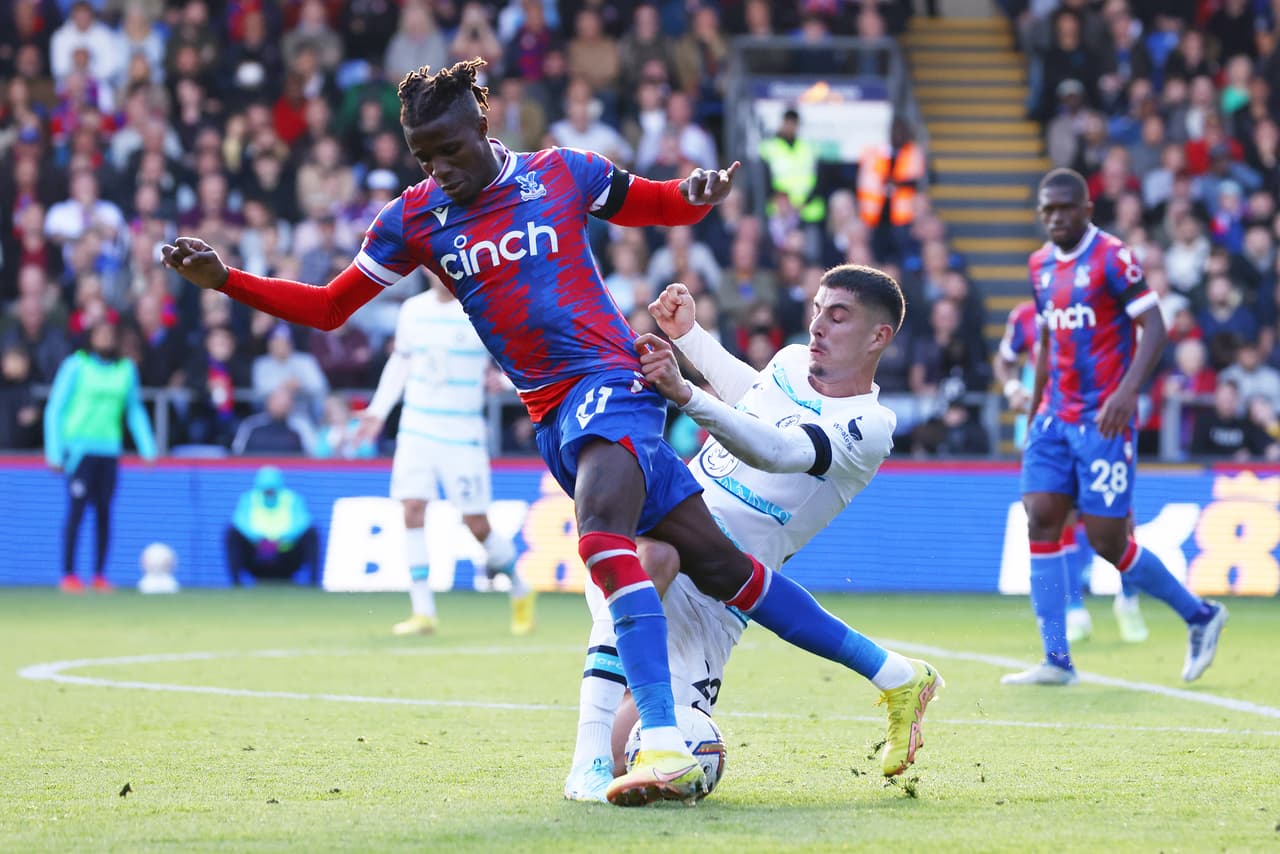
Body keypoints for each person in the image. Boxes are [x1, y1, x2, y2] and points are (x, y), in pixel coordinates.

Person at [161, 58, 934, 808]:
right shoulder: (415, 217)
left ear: (484, 125)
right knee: (722, 566)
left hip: (612, 386)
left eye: (452, 151)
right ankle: (895, 674)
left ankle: (657, 737)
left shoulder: (561, 172)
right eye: (425, 157)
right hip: (551, 415)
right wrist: (227, 280)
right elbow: (329, 306)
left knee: (604, 539)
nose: (442, 170)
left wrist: (694, 196)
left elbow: (657, 203)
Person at [564, 270, 943, 802]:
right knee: (651, 555)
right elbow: (754, 399)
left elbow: (778, 451)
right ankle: (587, 765)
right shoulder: (789, 362)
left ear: (878, 337)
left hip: (715, 602)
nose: (818, 326)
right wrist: (690, 337)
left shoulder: (869, 424)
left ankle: (899, 675)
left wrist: (686, 393)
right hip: (667, 540)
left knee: (632, 749)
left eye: (838, 316)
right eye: (817, 309)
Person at [1005, 168, 1227, 687]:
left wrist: (1127, 393)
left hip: (1104, 419)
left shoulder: (1113, 257)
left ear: (1086, 210)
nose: (1056, 217)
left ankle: (1201, 615)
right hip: (1053, 419)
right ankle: (1056, 659)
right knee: (1040, 516)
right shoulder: (1039, 266)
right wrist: (1037, 406)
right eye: (1048, 210)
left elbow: (1155, 326)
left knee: (1108, 540)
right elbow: (1046, 344)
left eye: (1066, 208)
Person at [357, 276, 536, 637]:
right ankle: (423, 611)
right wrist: (378, 410)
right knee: (411, 510)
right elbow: (400, 364)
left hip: (462, 432)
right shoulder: (412, 310)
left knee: (476, 524)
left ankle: (518, 586)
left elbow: (515, 361)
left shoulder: (480, 308)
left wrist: (500, 383)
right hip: (416, 428)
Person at [993, 300, 1148, 644]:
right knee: (1058, 514)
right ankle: (1075, 609)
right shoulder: (1024, 317)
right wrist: (1013, 387)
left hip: (1100, 426)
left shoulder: (1103, 313)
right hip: (1051, 427)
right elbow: (1004, 360)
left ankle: (1129, 600)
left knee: (1119, 518)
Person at [44, 321, 157, 593]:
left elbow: (134, 409)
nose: (106, 338)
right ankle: (69, 574)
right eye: (101, 333)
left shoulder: (126, 369)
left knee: (104, 513)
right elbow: (55, 407)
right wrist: (54, 451)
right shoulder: (76, 365)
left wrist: (147, 446)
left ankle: (99, 575)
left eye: (110, 334)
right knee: (76, 511)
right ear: (90, 338)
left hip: (109, 450)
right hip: (79, 452)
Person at [225, 466, 322, 586]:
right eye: (266, 491)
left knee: (312, 533)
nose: (269, 493)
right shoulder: (248, 499)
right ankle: (236, 584)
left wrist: (282, 540)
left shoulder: (292, 499)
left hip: (286, 554)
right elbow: (239, 522)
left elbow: (304, 522)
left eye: (272, 490)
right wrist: (260, 540)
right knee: (231, 533)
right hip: (257, 554)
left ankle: (313, 584)